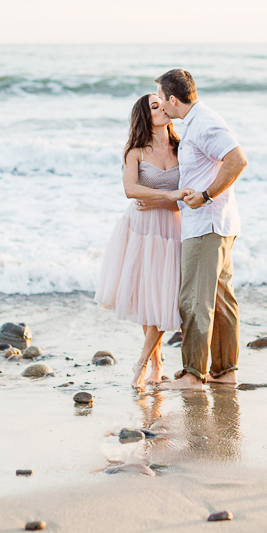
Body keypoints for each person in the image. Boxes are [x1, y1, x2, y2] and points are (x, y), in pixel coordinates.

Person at [154, 69, 248, 389]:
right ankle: (225, 371)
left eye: (162, 100)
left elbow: (237, 160)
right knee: (221, 300)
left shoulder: (204, 124)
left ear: (173, 99)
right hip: (217, 223)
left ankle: (193, 375)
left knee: (195, 300)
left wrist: (206, 194)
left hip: (207, 225)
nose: (160, 106)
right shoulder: (196, 123)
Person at [95, 94, 191, 388]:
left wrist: (164, 202)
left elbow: (184, 200)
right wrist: (167, 195)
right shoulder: (134, 150)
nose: (162, 108)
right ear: (145, 116)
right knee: (150, 297)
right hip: (139, 228)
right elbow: (130, 189)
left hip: (170, 228)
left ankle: (141, 364)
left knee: (165, 298)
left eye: (163, 104)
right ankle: (156, 363)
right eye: (154, 106)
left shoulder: (182, 148)